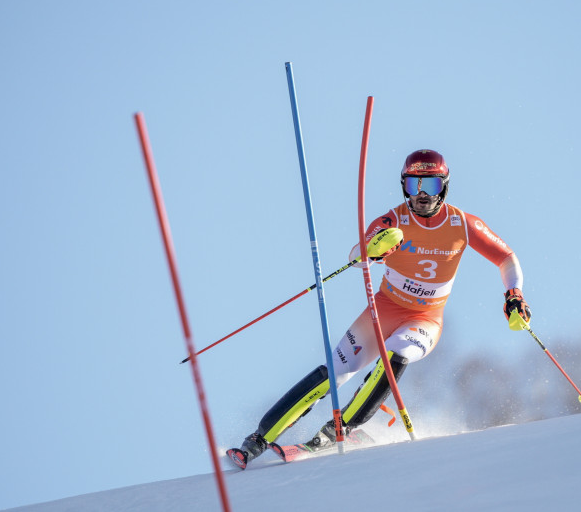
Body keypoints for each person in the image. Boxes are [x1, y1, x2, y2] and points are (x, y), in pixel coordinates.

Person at [227, 149, 531, 468]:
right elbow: (356, 254)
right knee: (335, 373)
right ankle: (258, 439)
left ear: (445, 187)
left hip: (425, 320)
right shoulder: (392, 221)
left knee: (396, 356)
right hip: (383, 311)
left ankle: (341, 429)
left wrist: (514, 293)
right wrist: (373, 252)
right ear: (403, 187)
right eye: (415, 186)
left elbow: (506, 257)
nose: (423, 195)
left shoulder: (463, 224)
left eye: (432, 185)